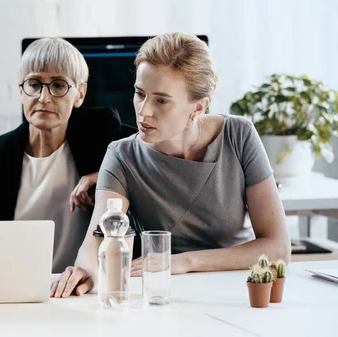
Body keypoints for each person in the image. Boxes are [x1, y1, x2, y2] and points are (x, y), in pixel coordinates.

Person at [51, 32, 291, 298]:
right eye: (139, 93)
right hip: (166, 292)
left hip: (239, 289)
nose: (143, 111)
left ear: (199, 107)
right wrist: (85, 270)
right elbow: (96, 239)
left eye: (161, 100)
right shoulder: (122, 154)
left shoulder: (238, 135)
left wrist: (185, 261)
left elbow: (278, 247)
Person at [0, 38, 135, 273]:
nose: (44, 98)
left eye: (59, 85)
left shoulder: (102, 133)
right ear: (21, 91)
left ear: (80, 94)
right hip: (13, 283)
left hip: (84, 285)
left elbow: (153, 155)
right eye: (34, 84)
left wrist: (102, 176)